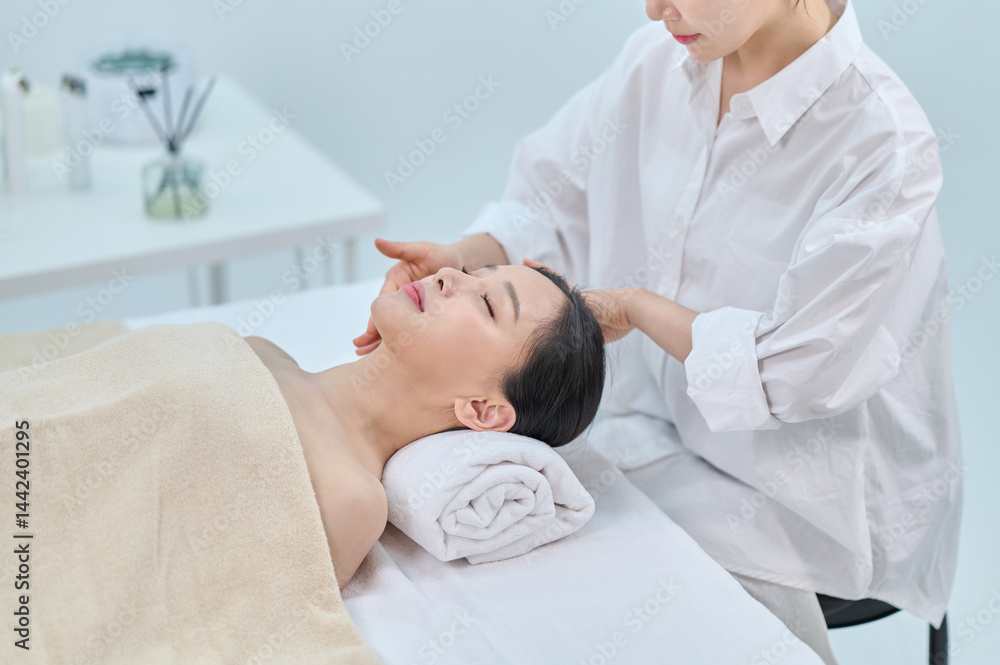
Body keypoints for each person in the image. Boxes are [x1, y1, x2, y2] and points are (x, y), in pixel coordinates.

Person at [352, 1, 963, 662]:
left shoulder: (880, 147)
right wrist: (463, 258)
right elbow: (549, 204)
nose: (653, 8)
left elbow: (789, 371)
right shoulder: (658, 65)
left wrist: (637, 308)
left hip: (809, 504)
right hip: (656, 432)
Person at [249, 263, 605, 589]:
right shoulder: (260, 350)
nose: (447, 273)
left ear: (483, 410)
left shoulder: (349, 501)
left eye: (487, 303)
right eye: (471, 270)